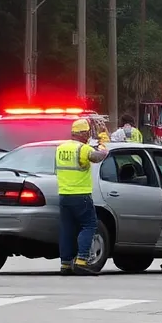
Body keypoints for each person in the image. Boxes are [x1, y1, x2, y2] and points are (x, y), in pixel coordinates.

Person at [55, 118, 109, 275]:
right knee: (89, 226)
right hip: (80, 195)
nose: (87, 136)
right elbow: (99, 156)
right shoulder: (82, 149)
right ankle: (82, 260)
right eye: (87, 133)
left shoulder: (60, 148)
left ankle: (65, 264)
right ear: (83, 133)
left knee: (67, 229)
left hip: (64, 195)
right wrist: (103, 141)